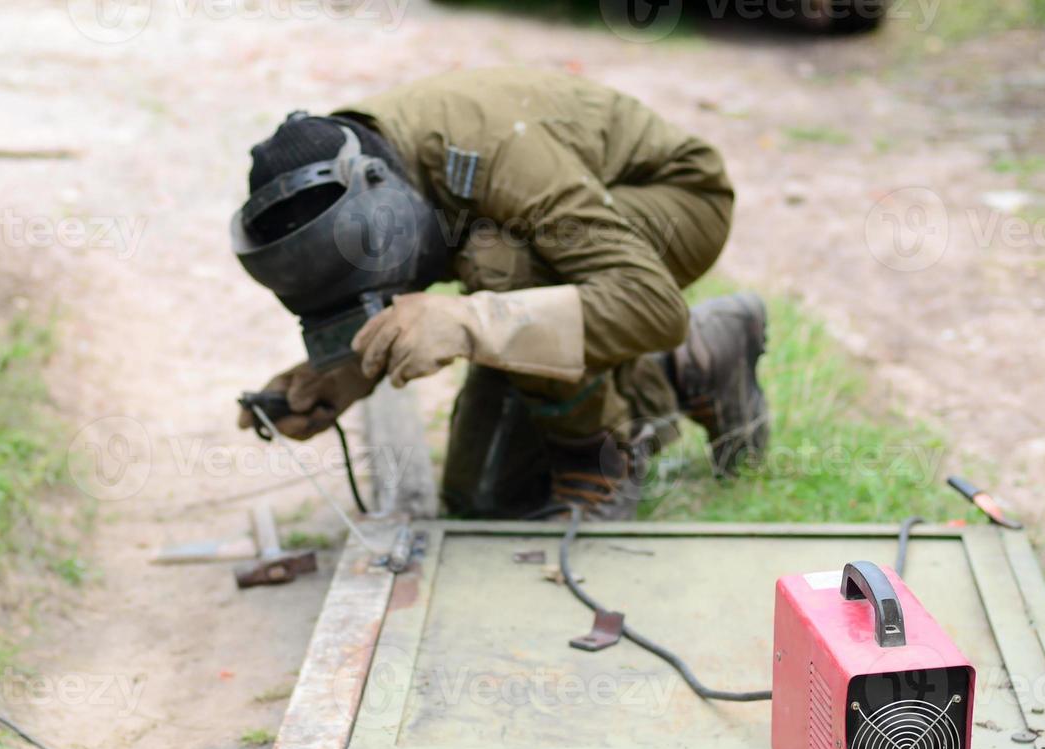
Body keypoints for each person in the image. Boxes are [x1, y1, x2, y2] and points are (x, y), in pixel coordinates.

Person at [232, 67, 768, 519]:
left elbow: (649, 303)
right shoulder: (351, 171)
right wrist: (342, 373)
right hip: (548, 238)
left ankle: (596, 454)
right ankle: (696, 360)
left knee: (497, 260)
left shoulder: (486, 154)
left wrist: (468, 323)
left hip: (675, 202)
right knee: (484, 500)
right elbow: (376, 289)